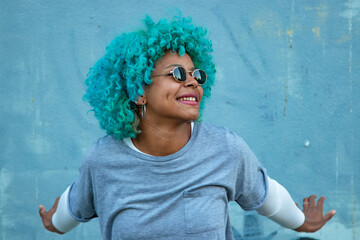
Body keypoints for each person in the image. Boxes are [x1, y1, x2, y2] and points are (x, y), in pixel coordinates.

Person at [39, 15, 336, 239]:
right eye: (178, 74)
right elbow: (72, 207)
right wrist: (55, 221)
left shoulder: (225, 150)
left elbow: (265, 194)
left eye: (197, 75)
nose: (192, 81)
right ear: (138, 90)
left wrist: (302, 221)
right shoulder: (103, 160)